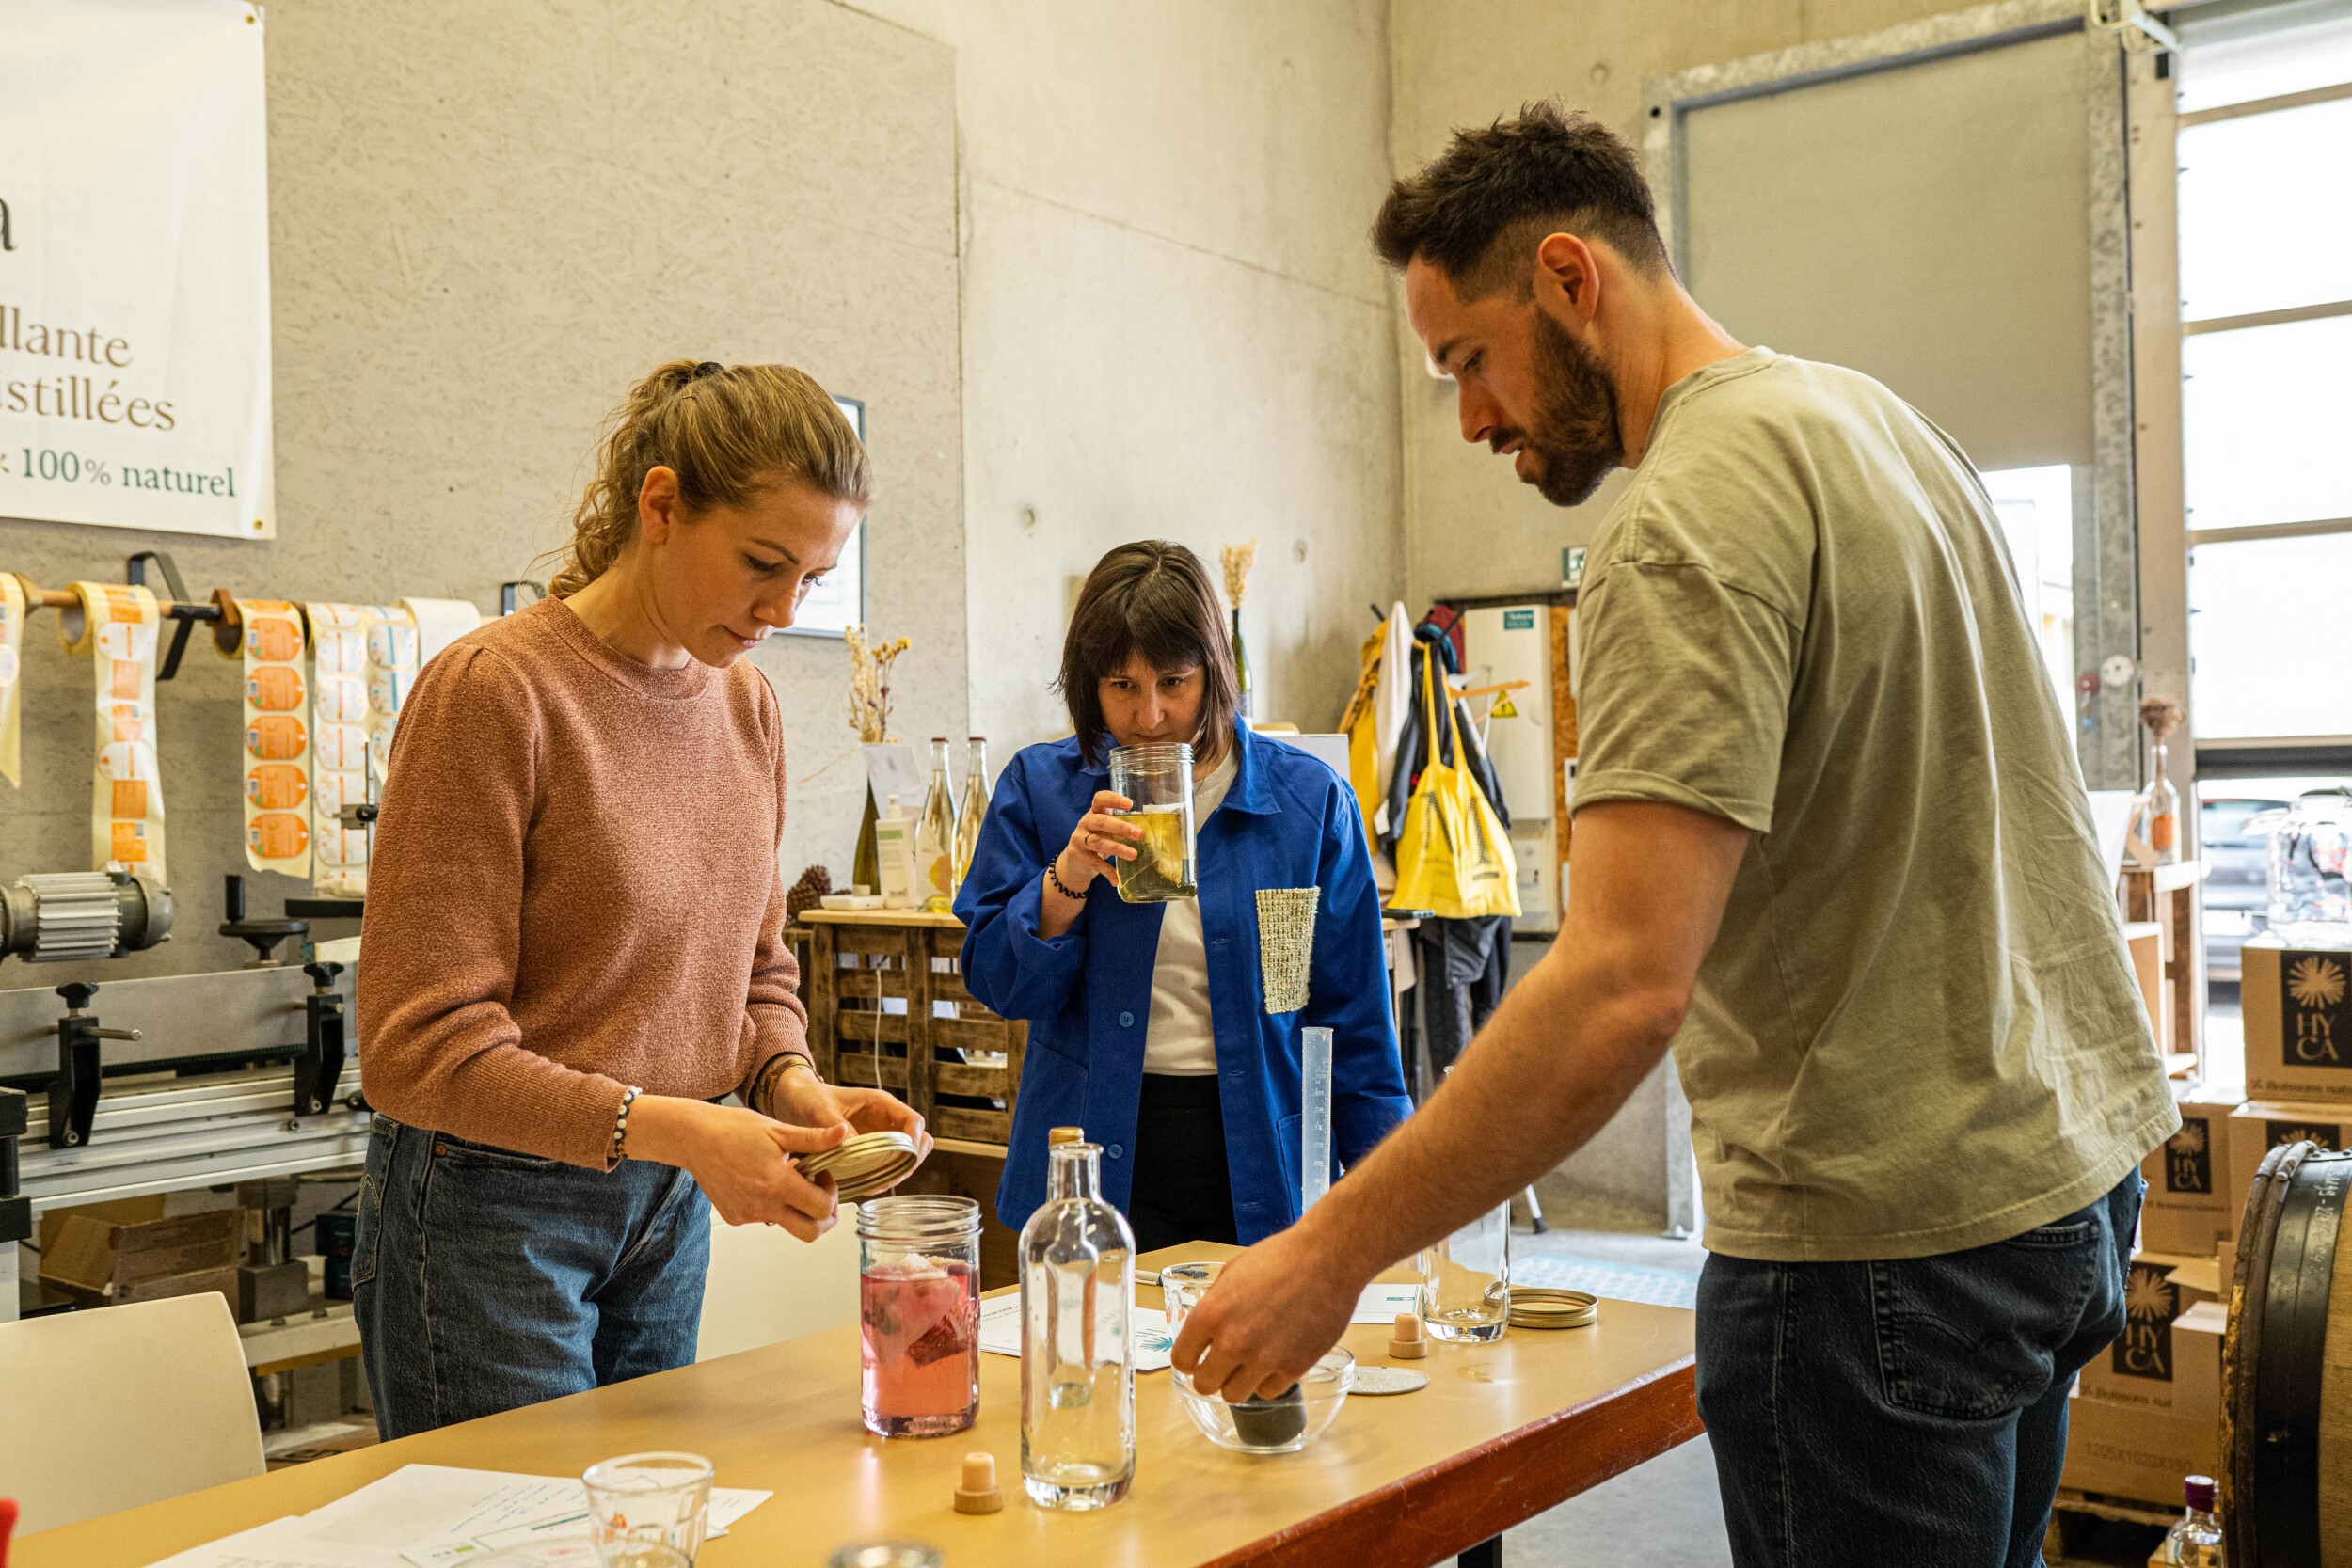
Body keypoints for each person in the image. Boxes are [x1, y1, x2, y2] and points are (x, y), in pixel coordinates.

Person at [1170, 104, 2177, 1566]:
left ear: (1571, 280)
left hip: (1876, 1251)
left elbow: (1621, 978)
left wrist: (1328, 1252)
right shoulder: (1880, 427)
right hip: (2056, 1192)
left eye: (1469, 362)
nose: (1471, 421)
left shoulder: (1687, 520)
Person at [354, 359, 930, 1436]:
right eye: (764, 563)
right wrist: (682, 1131)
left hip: (666, 1201)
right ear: (660, 505)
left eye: (813, 578)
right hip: (494, 1210)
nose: (781, 608)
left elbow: (754, 968)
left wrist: (791, 1082)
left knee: (648, 1536)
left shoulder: (744, 703)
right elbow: (415, 1047)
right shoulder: (496, 691)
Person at [957, 541, 1409, 1253]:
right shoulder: (1042, 788)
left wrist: (1389, 1198)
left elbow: (1354, 1021)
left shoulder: (1310, 801)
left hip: (1265, 1154)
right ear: (1087, 683)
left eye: (1174, 680)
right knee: (1094, 1363)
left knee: (1264, 1364)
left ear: (1216, 669)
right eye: (1121, 685)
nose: (1151, 713)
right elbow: (996, 980)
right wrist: (1069, 874)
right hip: (1095, 1158)